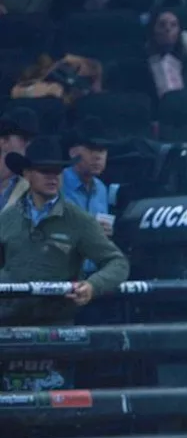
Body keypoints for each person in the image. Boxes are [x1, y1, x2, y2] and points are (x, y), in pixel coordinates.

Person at [0, 137, 129, 328]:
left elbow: (117, 262)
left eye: (57, 171)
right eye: (45, 171)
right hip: (8, 322)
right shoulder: (7, 218)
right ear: (27, 174)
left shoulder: (78, 220)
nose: (53, 177)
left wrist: (93, 285)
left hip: (57, 324)